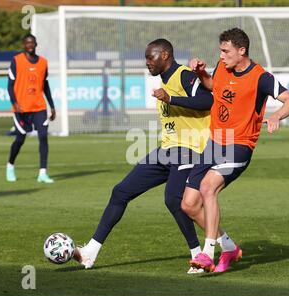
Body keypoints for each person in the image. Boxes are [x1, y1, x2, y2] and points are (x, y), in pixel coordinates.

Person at [74, 39, 237, 273]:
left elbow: (207, 101)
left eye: (151, 58)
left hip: (191, 149)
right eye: (146, 58)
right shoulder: (163, 81)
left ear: (166, 56)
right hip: (167, 150)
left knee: (173, 199)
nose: (147, 63)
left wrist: (171, 99)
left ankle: (198, 256)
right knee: (120, 192)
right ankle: (90, 251)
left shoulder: (183, 75)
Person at [182, 28, 289, 273]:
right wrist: (201, 73)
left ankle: (207, 253)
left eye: (226, 51)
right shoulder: (222, 66)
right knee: (189, 205)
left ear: (242, 50)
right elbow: (214, 87)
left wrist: (276, 116)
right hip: (214, 142)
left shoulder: (261, 77)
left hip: (239, 145)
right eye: (221, 51)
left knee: (207, 187)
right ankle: (229, 248)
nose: (222, 55)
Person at [6, 34, 56, 183]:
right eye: (27, 42)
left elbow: (45, 85)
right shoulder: (16, 61)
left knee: (43, 136)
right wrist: (14, 103)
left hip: (39, 106)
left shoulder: (43, 62)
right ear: (23, 44)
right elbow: (10, 85)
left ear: (36, 44)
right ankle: (10, 165)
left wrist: (52, 106)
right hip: (21, 108)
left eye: (32, 42)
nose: (30, 45)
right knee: (20, 139)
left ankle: (42, 173)